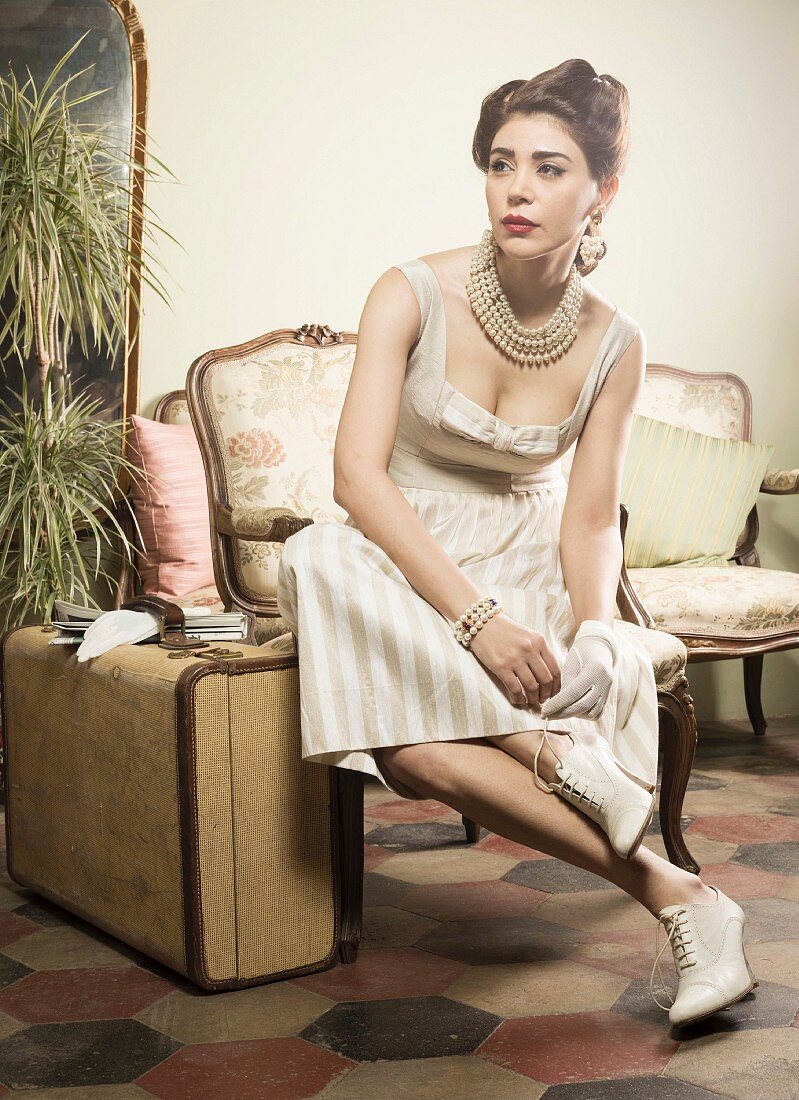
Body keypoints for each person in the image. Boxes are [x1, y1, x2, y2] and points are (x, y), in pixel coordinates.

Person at [276, 58, 758, 1029]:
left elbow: (585, 519)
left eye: (547, 167)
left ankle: (674, 884)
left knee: (415, 754)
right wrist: (479, 623)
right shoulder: (408, 290)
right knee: (313, 554)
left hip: (528, 552)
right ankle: (667, 880)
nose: (517, 190)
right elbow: (356, 480)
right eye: (502, 164)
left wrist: (589, 633)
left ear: (602, 191)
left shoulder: (615, 342)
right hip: (402, 555)